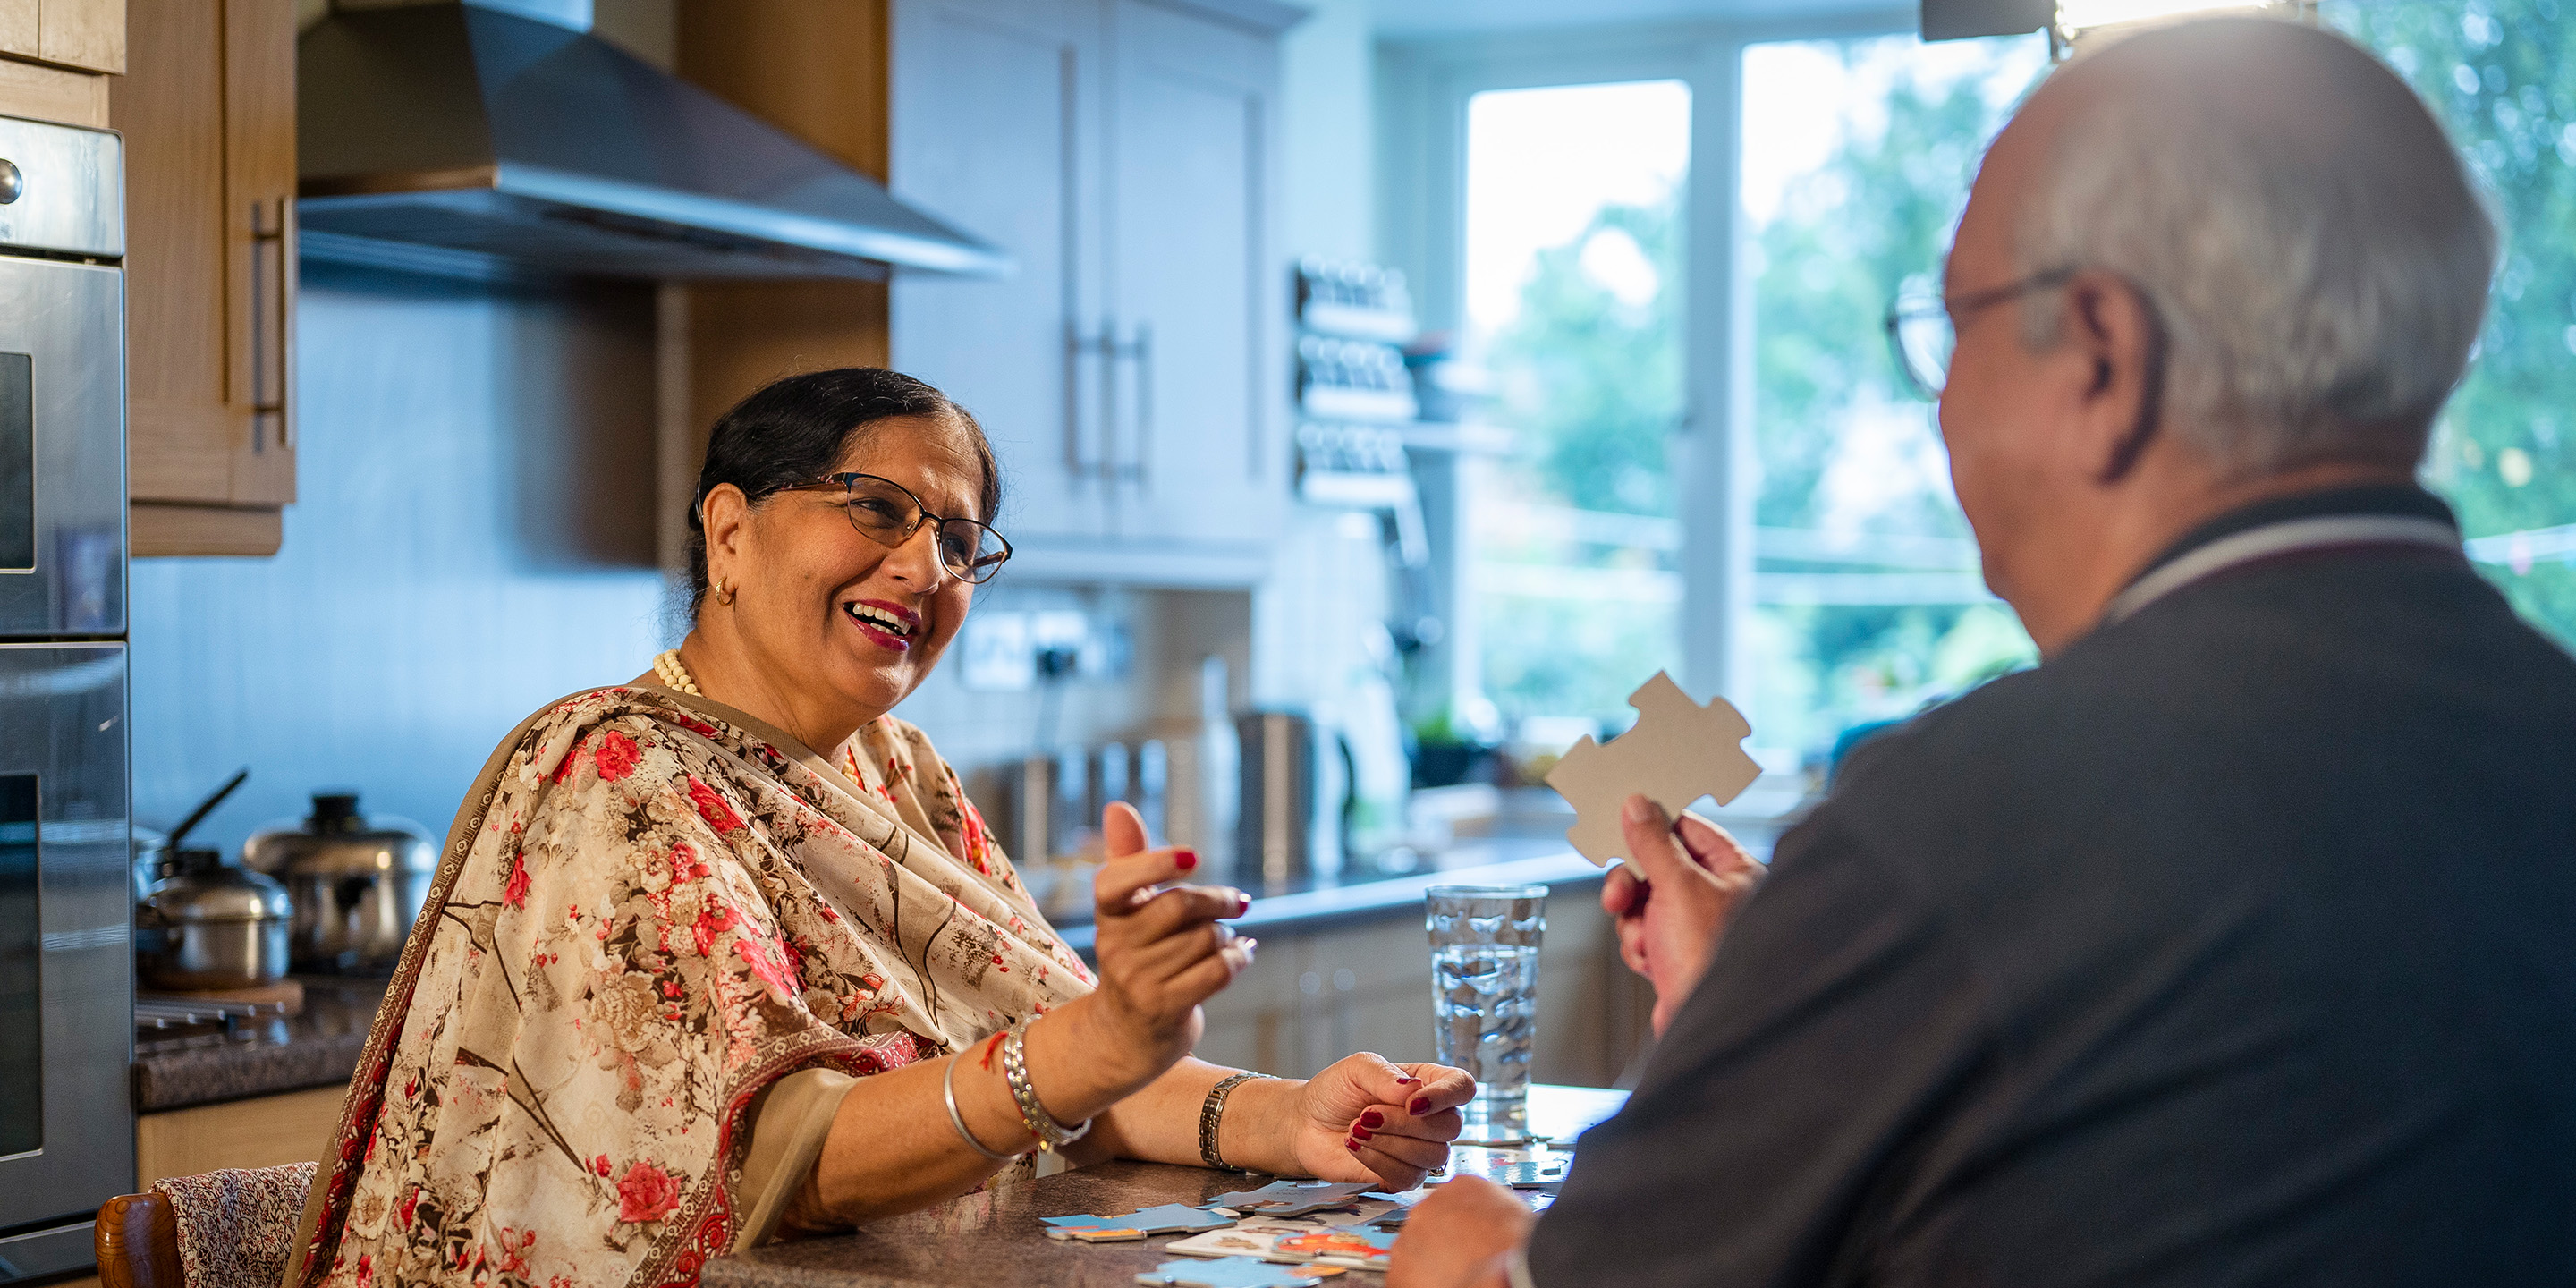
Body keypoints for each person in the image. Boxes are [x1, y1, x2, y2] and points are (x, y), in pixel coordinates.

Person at [1392, 15, 2576, 1287]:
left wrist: (1468, 1250)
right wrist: (1785, 1001)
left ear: (2105, 357)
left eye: (1955, 324)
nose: (1940, 401)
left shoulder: (1967, 821)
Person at [282, 369, 1475, 1288]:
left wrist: (1292, 1118)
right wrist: (1091, 1046)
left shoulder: (898, 771)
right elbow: (781, 1169)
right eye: (879, 510)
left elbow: (1062, 1056)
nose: (925, 564)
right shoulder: (618, 774)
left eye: (958, 543)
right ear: (731, 535)